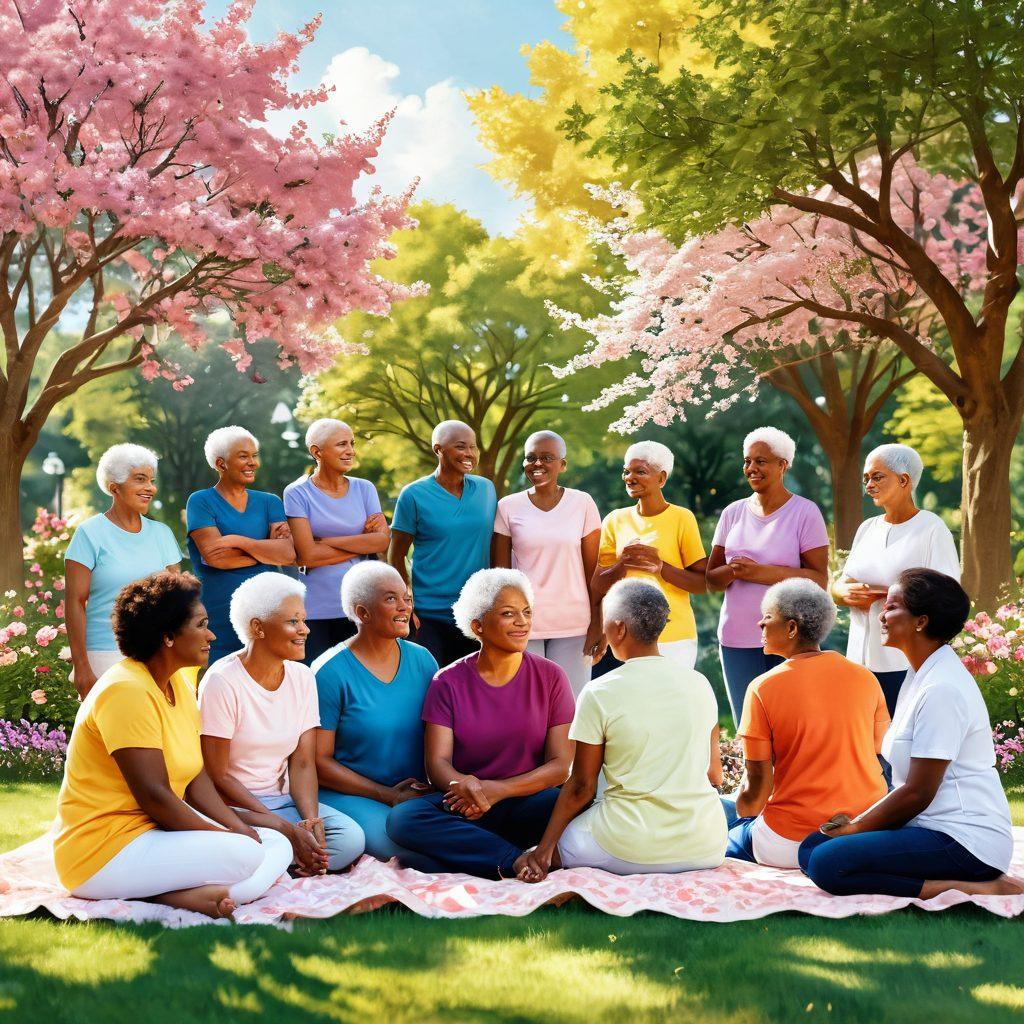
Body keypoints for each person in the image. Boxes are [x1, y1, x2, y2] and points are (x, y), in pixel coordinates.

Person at [53, 572, 293, 920]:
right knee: (248, 857)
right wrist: (229, 839)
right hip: (101, 852)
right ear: (167, 636)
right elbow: (156, 796)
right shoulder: (127, 691)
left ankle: (179, 893)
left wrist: (238, 829)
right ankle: (175, 895)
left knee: (275, 843)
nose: (212, 635)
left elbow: (196, 779)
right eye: (201, 624)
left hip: (153, 835)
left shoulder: (178, 680)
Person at [800, 569, 1022, 900]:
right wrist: (858, 823)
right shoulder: (917, 674)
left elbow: (918, 792)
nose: (882, 615)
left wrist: (859, 828)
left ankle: (974, 887)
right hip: (925, 826)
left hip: (963, 840)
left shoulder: (942, 688)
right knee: (812, 848)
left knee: (827, 863)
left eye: (891, 606)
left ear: (921, 621)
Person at [516, 579, 726, 881]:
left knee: (546, 844)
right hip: (705, 845)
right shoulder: (700, 684)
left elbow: (581, 787)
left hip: (629, 844)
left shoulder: (599, 691)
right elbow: (713, 775)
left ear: (619, 628)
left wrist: (544, 850)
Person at [385, 569, 574, 878]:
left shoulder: (552, 676)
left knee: (562, 801)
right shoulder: (447, 681)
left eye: (527, 612)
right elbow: (437, 764)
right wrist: (468, 786)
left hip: (525, 801)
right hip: (465, 804)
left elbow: (560, 766)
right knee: (404, 818)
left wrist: (498, 790)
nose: (522, 621)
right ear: (478, 626)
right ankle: (514, 859)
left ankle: (468, 857)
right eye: (508, 614)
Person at [198, 574, 364, 874]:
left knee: (351, 840)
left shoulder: (302, 677)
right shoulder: (222, 681)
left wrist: (310, 822)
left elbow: (301, 763)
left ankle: (285, 862)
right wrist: (284, 828)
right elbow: (218, 776)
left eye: (303, 620)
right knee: (269, 842)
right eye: (293, 622)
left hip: (282, 801)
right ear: (257, 628)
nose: (305, 630)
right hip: (233, 808)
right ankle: (286, 858)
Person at [721, 579, 889, 868]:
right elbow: (878, 748)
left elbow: (757, 788)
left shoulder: (763, 687)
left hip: (790, 840)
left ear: (791, 627)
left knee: (722, 816)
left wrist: (742, 817)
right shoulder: (865, 678)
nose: (760, 623)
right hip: (863, 830)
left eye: (768, 617)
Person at [313, 562, 442, 872]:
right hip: (351, 794)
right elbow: (318, 761)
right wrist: (386, 795)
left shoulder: (423, 660)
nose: (404, 607)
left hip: (413, 796)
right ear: (363, 612)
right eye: (390, 599)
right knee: (417, 851)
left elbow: (438, 735)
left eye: (406, 598)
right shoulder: (328, 672)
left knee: (452, 834)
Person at [707, 427, 830, 724]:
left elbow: (819, 580)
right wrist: (733, 571)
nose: (752, 468)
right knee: (748, 726)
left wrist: (761, 573)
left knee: (790, 725)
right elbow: (711, 580)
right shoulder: (732, 513)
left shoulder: (805, 513)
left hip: (790, 638)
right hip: (736, 639)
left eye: (761, 461)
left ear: (783, 464)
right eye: (747, 461)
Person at [834, 443, 960, 716]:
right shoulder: (867, 528)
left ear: (904, 480)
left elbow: (947, 595)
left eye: (877, 477)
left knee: (894, 748)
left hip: (902, 661)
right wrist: (841, 592)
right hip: (858, 661)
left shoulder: (931, 529)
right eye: (866, 478)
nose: (868, 484)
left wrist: (883, 594)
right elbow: (841, 583)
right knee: (865, 748)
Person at [65, 444, 183, 699]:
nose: (150, 488)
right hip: (105, 655)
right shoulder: (89, 533)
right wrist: (82, 666)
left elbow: (180, 601)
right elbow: (74, 602)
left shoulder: (162, 534)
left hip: (158, 653)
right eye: (140, 479)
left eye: (151, 480)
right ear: (113, 486)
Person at [492, 430, 602, 698]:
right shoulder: (508, 506)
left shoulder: (583, 503)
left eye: (547, 458)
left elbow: (594, 572)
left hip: (575, 623)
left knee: (571, 708)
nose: (537, 464)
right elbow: (500, 577)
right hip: (523, 625)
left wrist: (599, 624)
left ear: (562, 464)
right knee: (528, 705)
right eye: (531, 458)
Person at [388, 420, 497, 667]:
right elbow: (396, 554)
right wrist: (405, 602)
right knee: (431, 686)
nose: (469, 453)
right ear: (439, 450)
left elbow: (497, 542)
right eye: (461, 446)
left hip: (477, 613)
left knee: (473, 689)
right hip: (430, 615)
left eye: (473, 446)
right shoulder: (413, 494)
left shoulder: (486, 490)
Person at [592, 441, 707, 669]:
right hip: (625, 636)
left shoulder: (682, 518)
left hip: (674, 637)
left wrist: (661, 567)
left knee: (672, 703)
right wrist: (622, 564)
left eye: (640, 471)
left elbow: (703, 584)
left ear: (661, 478)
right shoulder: (614, 520)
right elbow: (598, 584)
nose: (630, 477)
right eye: (626, 471)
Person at [186, 426, 295, 664]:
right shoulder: (201, 501)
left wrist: (238, 542)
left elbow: (287, 554)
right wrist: (266, 551)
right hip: (220, 614)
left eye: (254, 455)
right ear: (221, 463)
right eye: (243, 456)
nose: (253, 462)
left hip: (268, 611)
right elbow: (216, 557)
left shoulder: (270, 502)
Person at [283, 418, 389, 664]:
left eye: (352, 443)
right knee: (318, 684)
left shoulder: (365, 489)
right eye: (342, 444)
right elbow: (307, 555)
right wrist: (360, 543)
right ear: (316, 451)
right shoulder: (297, 493)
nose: (350, 450)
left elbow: (380, 543)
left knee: (361, 682)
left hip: (362, 607)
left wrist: (325, 540)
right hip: (317, 611)